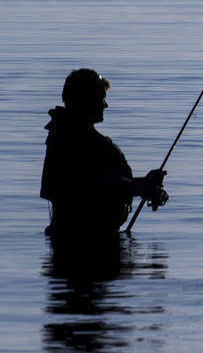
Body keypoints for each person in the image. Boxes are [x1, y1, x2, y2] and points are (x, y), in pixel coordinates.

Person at [41, 69, 168, 242]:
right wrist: (143, 189)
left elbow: (95, 180)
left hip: (95, 237)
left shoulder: (75, 133)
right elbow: (100, 180)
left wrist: (144, 182)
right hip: (82, 239)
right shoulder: (71, 136)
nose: (105, 105)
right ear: (86, 99)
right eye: (101, 98)